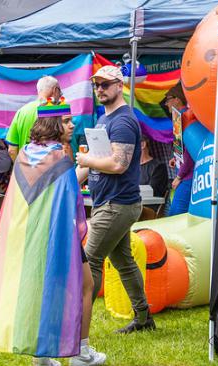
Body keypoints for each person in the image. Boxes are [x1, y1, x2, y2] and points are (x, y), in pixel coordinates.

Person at [0, 102, 106, 366]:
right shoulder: (59, 158)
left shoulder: (26, 153)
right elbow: (70, 198)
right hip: (57, 235)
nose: (72, 125)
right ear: (54, 127)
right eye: (66, 121)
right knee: (85, 285)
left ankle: (42, 362)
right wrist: (89, 164)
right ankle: (82, 353)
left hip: (27, 237)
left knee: (41, 290)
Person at [76, 65, 156, 333]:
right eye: (97, 85)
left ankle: (78, 323)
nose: (100, 89)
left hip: (117, 204)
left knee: (91, 259)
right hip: (109, 202)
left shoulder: (122, 121)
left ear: (119, 86)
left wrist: (87, 160)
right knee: (123, 261)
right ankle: (144, 318)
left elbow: (119, 164)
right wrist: (68, 183)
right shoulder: (104, 120)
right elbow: (94, 162)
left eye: (105, 85)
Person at [5, 75, 62, 159]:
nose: (60, 95)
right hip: (50, 167)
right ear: (55, 90)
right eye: (60, 91)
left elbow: (12, 150)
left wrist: (21, 168)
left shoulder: (21, 111)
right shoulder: (57, 111)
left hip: (25, 167)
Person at [162, 84, 196, 216]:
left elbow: (189, 152)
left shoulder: (181, 118)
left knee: (176, 215)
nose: (166, 104)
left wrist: (179, 176)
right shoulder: (183, 117)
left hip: (186, 177)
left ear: (177, 99)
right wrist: (175, 158)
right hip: (189, 174)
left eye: (168, 99)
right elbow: (184, 149)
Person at [139, 136, 169, 220]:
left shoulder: (158, 167)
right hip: (133, 207)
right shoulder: (131, 169)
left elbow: (154, 192)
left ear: (142, 144)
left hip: (148, 210)